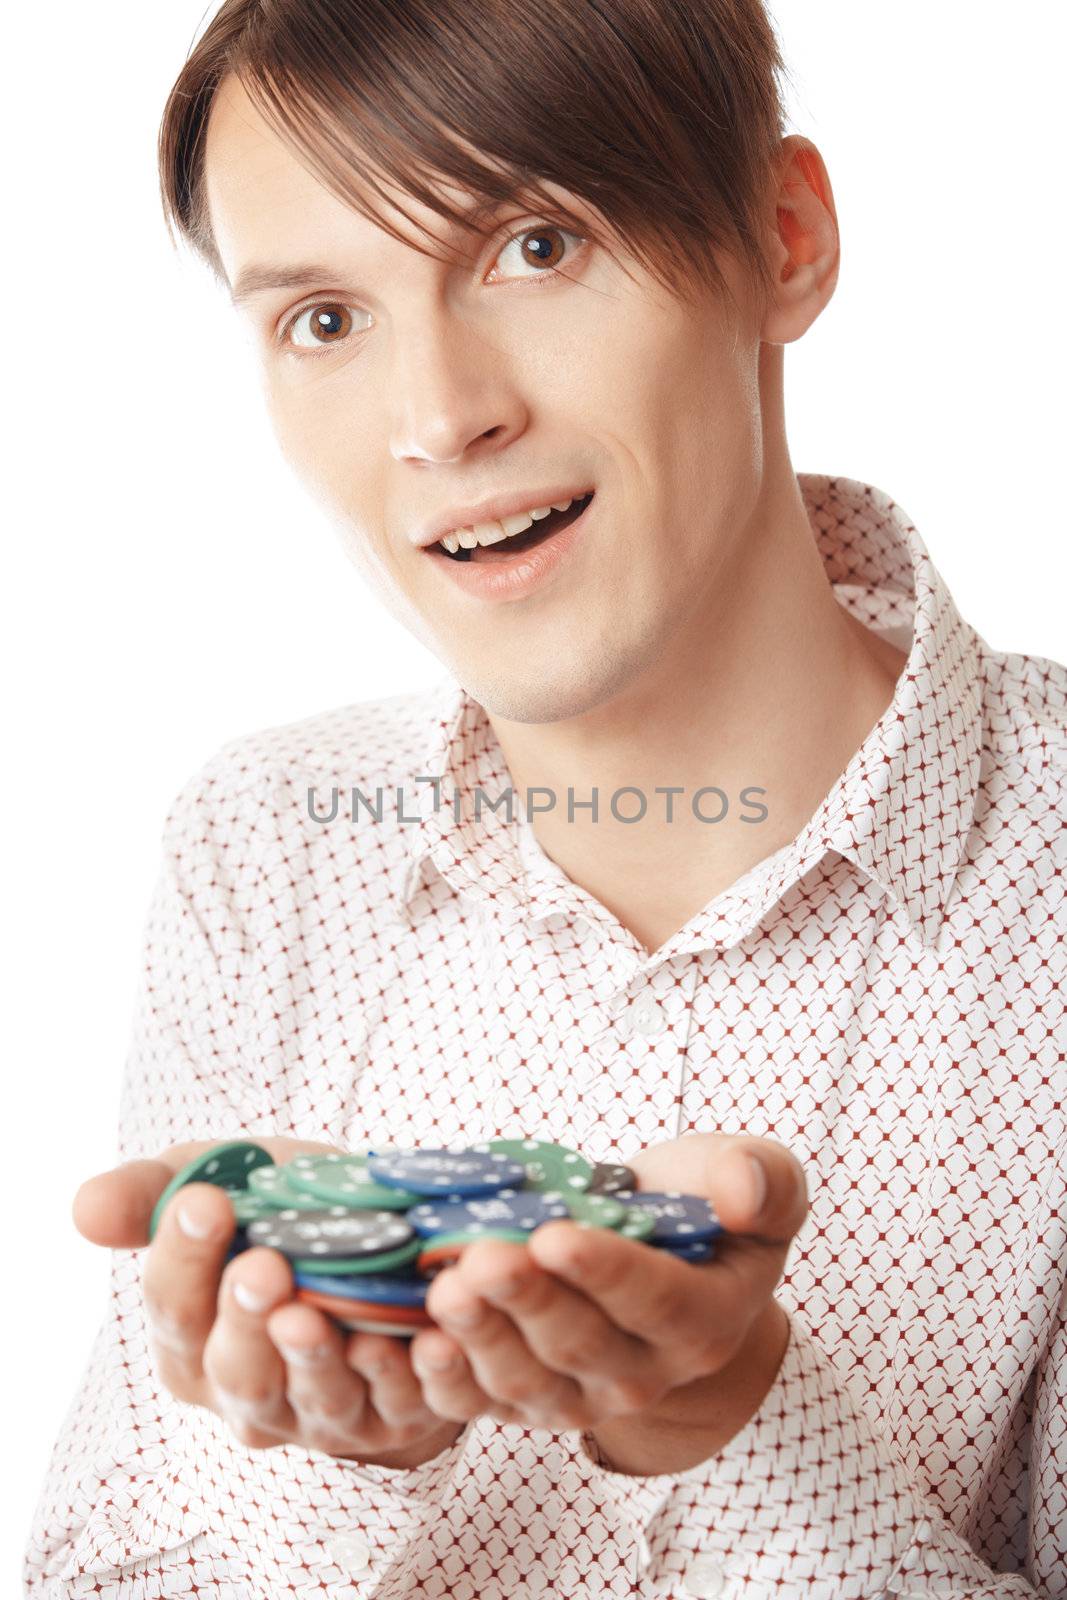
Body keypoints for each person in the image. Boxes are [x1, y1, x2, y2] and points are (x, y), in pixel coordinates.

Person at [24, 0, 1066, 1595]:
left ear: (783, 237)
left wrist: (732, 1427)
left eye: (532, 247)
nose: (440, 418)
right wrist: (332, 1463)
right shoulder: (265, 843)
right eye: (322, 318)